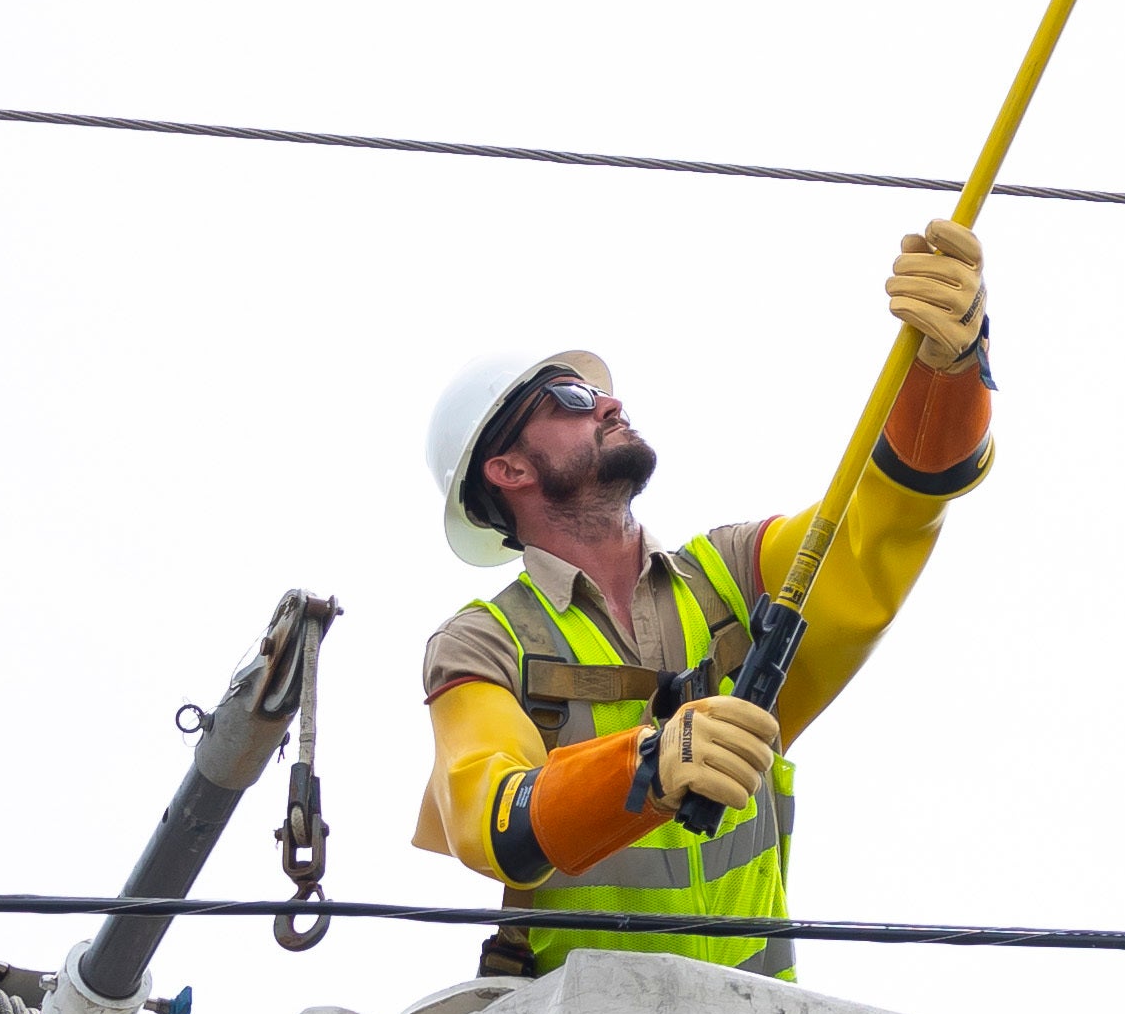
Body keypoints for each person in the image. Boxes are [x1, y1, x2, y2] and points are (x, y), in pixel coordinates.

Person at [413, 224, 995, 973]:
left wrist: (948, 374)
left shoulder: (732, 576)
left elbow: (882, 520)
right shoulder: (486, 643)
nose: (609, 404)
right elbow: (490, 817)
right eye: (570, 398)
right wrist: (648, 767)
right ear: (509, 469)